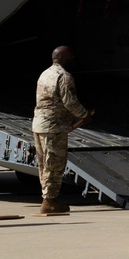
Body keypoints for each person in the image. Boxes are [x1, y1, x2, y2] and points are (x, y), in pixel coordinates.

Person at [31, 46, 93, 216]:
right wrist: (84, 115)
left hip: (39, 124)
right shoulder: (64, 76)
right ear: (64, 57)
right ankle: (49, 201)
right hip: (54, 128)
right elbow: (70, 102)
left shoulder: (45, 73)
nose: (73, 59)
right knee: (55, 164)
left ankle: (47, 197)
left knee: (44, 164)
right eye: (71, 56)